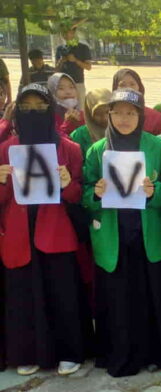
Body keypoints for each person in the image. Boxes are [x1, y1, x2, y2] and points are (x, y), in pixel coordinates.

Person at [0, 83, 91, 376]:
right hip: (19, 235)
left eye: (40, 106)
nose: (33, 112)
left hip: (56, 234)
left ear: (50, 109)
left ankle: (69, 351)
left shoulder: (70, 148)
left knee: (61, 294)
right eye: (26, 107)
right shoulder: (5, 150)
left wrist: (67, 184)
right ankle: (27, 352)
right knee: (23, 296)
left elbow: (80, 196)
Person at [83, 88, 161, 377]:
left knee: (151, 297)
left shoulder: (158, 148)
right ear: (108, 115)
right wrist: (95, 194)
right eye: (118, 112)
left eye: (130, 112)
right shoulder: (97, 151)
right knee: (119, 302)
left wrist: (154, 192)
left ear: (141, 115)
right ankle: (121, 357)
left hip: (149, 238)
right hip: (113, 238)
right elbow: (84, 197)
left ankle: (155, 354)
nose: (124, 118)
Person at [112, 68, 161, 135]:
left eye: (132, 84)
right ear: (115, 89)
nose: (128, 88)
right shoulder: (109, 117)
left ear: (140, 87)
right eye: (122, 85)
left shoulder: (156, 118)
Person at [55, 27, 91, 106]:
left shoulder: (83, 48)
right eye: (63, 32)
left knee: (80, 109)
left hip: (78, 83)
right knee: (63, 108)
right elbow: (56, 70)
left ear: (73, 33)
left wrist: (75, 60)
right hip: (63, 85)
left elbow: (88, 67)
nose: (65, 35)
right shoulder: (60, 49)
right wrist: (60, 61)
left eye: (68, 32)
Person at [70, 88, 111, 158]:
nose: (104, 118)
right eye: (98, 114)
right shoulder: (79, 135)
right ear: (89, 114)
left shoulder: (123, 130)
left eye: (107, 112)